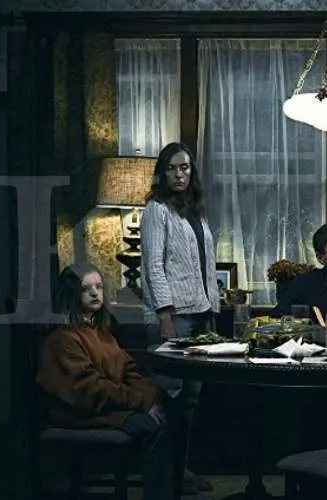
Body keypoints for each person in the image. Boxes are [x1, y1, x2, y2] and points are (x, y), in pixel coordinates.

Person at [36, 262, 174, 500]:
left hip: (108, 405)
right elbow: (91, 388)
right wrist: (141, 402)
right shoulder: (62, 339)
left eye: (98, 287)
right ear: (71, 294)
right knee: (153, 428)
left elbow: (129, 372)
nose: (94, 293)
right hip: (80, 412)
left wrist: (151, 399)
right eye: (85, 288)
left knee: (171, 411)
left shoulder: (102, 333)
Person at [140, 141, 220, 493]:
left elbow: (204, 266)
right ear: (163, 173)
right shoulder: (156, 210)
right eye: (172, 168)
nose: (179, 174)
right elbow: (153, 267)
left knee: (190, 402)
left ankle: (180, 472)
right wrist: (165, 317)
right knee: (170, 398)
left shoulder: (194, 212)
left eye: (184, 167)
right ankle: (165, 479)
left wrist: (212, 308)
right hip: (175, 317)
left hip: (201, 315)